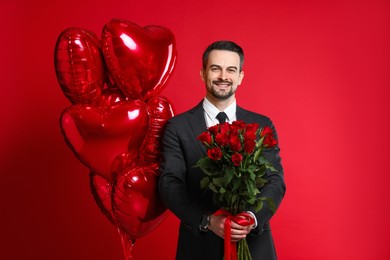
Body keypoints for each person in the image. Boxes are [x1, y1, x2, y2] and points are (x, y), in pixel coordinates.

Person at [158, 40, 285, 260]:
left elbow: (275, 180)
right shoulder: (177, 127)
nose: (223, 77)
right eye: (215, 68)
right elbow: (170, 184)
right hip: (198, 248)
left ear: (240, 77)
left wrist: (251, 218)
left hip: (254, 246)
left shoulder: (262, 125)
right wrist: (207, 220)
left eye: (231, 70)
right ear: (202, 73)